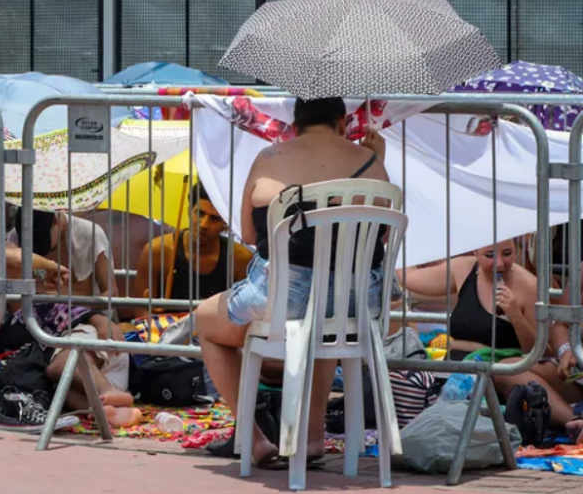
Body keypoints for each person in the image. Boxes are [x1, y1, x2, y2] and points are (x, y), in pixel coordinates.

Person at [193, 97, 390, 469]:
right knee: (323, 322)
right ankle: (313, 437)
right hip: (358, 301)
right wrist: (378, 157)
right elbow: (380, 237)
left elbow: (249, 234)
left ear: (295, 125)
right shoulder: (371, 162)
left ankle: (253, 440)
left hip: (287, 297)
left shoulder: (270, 158)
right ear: (343, 122)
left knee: (206, 322)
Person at [398, 241, 583, 442]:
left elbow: (540, 351)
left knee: (506, 369)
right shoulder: (463, 269)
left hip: (511, 370)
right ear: (475, 251)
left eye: (507, 253)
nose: (499, 263)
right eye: (489, 255)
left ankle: (575, 423)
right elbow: (410, 277)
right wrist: (397, 236)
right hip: (467, 371)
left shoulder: (528, 286)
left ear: (517, 251)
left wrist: (515, 316)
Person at [133, 181, 254, 313]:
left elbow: (244, 314)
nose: (204, 224)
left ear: (226, 224)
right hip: (163, 330)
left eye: (214, 219)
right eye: (200, 214)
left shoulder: (240, 259)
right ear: (189, 211)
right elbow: (141, 311)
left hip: (215, 331)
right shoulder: (158, 250)